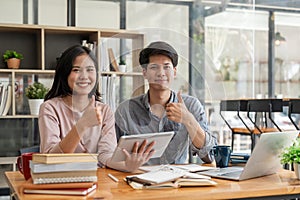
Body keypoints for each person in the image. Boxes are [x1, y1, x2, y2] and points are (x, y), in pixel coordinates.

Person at [39, 45, 154, 172]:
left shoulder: (104, 111)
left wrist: (127, 166)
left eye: (90, 69)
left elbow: (105, 155)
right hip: (59, 178)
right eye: (76, 70)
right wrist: (82, 125)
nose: (84, 76)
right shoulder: (50, 108)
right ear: (64, 73)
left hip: (96, 180)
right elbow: (50, 157)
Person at [115, 41, 217, 165]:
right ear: (144, 73)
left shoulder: (191, 105)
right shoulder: (125, 110)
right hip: (136, 179)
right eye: (154, 67)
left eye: (166, 67)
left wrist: (188, 120)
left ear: (174, 71)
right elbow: (112, 158)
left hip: (177, 180)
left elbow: (209, 155)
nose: (161, 73)